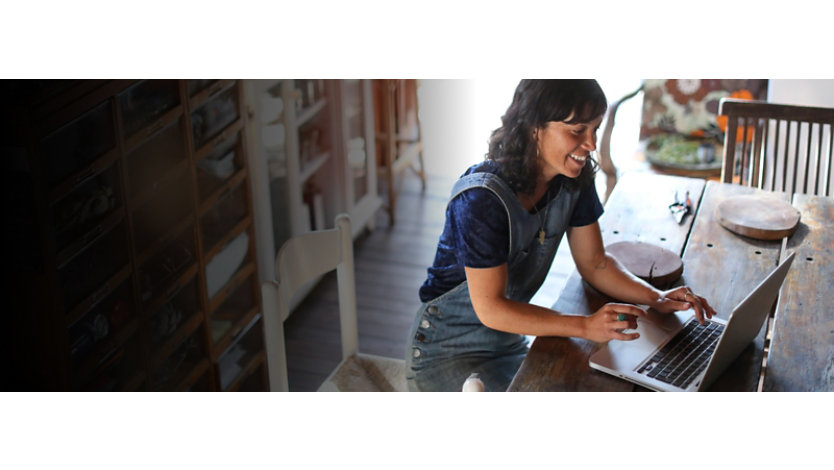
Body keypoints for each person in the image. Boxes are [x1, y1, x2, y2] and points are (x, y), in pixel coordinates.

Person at [404, 79, 716, 392]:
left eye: (595, 129)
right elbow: (492, 309)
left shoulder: (572, 178)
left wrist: (656, 298)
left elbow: (595, 263)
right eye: (577, 130)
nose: (591, 144)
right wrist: (585, 326)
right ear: (533, 127)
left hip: (506, 343)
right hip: (446, 352)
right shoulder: (481, 200)